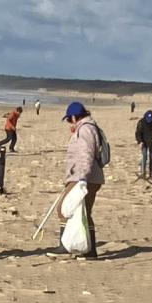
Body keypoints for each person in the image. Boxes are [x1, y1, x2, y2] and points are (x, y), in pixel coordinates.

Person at [47, 102, 105, 259]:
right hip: (90, 176)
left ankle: (65, 246)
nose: (69, 123)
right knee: (84, 213)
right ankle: (90, 251)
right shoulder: (88, 127)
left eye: (69, 119)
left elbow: (86, 154)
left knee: (64, 209)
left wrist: (82, 178)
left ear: (74, 117)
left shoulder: (85, 129)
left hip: (83, 177)